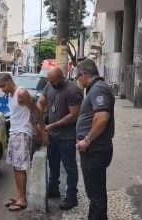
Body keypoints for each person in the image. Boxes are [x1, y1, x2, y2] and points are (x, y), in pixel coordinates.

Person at [37, 67, 83, 210]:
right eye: (49, 81)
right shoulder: (49, 85)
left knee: (70, 167)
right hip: (53, 136)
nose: (50, 84)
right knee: (53, 164)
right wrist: (38, 116)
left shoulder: (73, 90)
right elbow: (42, 101)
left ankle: (71, 197)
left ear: (62, 78)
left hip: (67, 136)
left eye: (53, 81)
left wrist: (53, 125)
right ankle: (53, 189)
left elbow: (74, 115)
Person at [0, 73, 43, 212]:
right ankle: (18, 196)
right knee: (16, 167)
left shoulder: (21, 93)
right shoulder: (10, 95)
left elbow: (34, 110)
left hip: (22, 132)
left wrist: (39, 129)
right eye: (0, 87)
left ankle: (22, 199)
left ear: (10, 81)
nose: (3, 89)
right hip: (14, 132)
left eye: (4, 86)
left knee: (20, 167)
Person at [75, 59, 115, 220]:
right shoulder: (95, 88)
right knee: (95, 192)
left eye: (78, 76)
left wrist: (87, 140)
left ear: (84, 74)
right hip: (94, 149)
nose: (77, 79)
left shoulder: (98, 89)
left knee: (96, 194)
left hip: (95, 150)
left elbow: (102, 118)